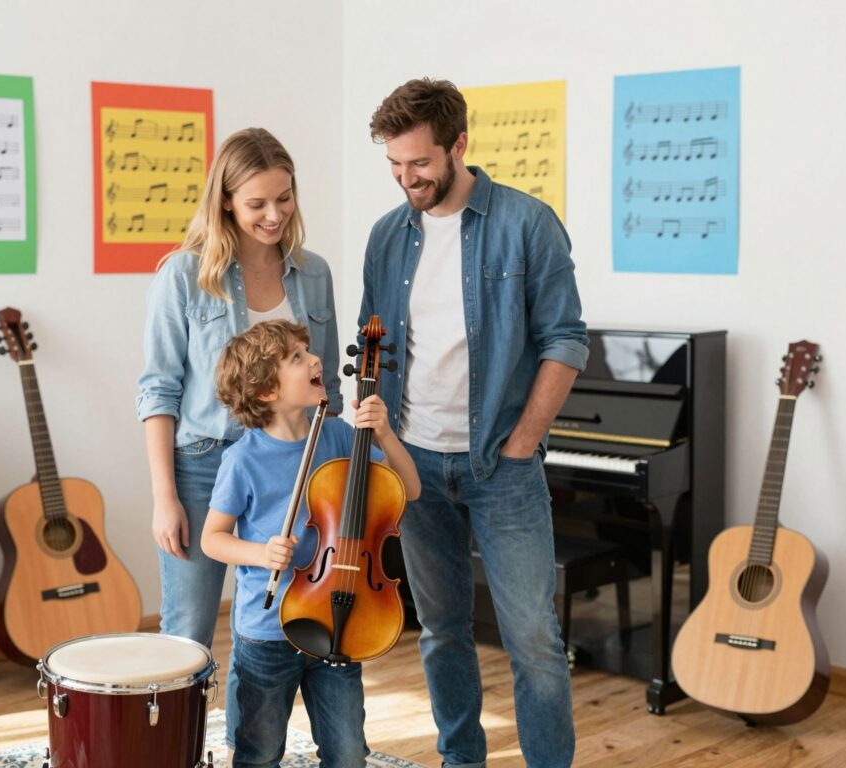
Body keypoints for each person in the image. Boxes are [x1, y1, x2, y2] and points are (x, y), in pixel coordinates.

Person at [360, 78, 589, 768]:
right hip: (415, 465)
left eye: (420, 163)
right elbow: (374, 338)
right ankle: (463, 759)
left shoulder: (526, 223)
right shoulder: (387, 236)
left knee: (534, 640)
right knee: (440, 631)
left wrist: (522, 443)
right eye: (396, 166)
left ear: (459, 145)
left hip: (502, 467)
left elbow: (566, 340)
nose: (408, 179)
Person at [135, 128, 343, 748]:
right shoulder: (183, 275)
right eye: (257, 204)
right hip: (202, 465)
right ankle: (176, 753)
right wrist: (163, 495)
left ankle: (252, 748)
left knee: (277, 623)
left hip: (289, 463)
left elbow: (320, 381)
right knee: (189, 630)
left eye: (284, 198)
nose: (274, 215)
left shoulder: (314, 275)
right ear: (225, 200)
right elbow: (157, 391)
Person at [201, 320, 420, 768]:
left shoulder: (340, 436)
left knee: (347, 754)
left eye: (307, 349)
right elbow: (213, 539)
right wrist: (261, 553)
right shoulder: (243, 460)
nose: (314, 359)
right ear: (266, 392)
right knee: (258, 752)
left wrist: (382, 433)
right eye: (297, 357)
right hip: (267, 629)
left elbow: (410, 489)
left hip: (340, 613)